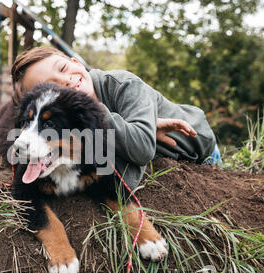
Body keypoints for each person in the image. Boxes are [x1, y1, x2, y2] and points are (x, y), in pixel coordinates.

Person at [11, 46, 219, 190]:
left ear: (75, 62)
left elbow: (141, 151)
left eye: (64, 68)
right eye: (53, 86)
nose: (66, 81)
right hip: (156, 152)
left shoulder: (123, 84)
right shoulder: (64, 126)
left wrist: (94, 113)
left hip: (199, 145)